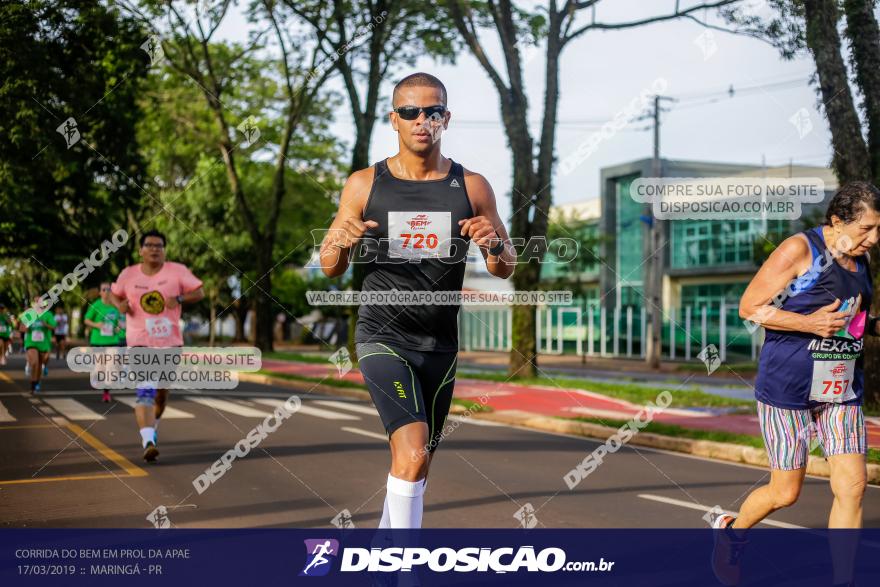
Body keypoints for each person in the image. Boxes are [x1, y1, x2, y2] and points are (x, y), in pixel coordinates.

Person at [320, 72, 514, 530]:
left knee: (416, 466)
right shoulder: (365, 184)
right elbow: (330, 265)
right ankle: (403, 571)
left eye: (432, 111)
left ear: (447, 118)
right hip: (382, 338)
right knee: (411, 454)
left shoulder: (473, 186)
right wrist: (342, 242)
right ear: (394, 119)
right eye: (410, 112)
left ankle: (382, 562)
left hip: (440, 346)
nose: (421, 120)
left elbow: (506, 267)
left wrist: (494, 246)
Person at [712, 182, 880, 587]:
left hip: (839, 387)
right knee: (786, 492)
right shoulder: (799, 250)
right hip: (787, 387)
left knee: (853, 485)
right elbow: (750, 308)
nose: (874, 238)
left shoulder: (861, 259)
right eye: (866, 229)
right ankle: (731, 531)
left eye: (878, 228)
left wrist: (871, 326)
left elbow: (849, 319)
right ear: (837, 221)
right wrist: (809, 323)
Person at [109, 229, 204, 462]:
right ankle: (148, 441)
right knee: (145, 391)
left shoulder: (177, 271)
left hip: (170, 343)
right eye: (150, 245)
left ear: (164, 251)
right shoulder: (128, 274)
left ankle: (154, 426)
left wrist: (179, 299)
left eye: (159, 246)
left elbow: (199, 292)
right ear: (141, 250)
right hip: (140, 343)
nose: (155, 249)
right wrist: (119, 305)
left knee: (161, 394)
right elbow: (113, 294)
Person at [83, 282, 123, 402]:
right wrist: (96, 324)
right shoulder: (96, 305)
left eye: (108, 289)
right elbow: (86, 320)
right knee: (100, 367)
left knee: (111, 366)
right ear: (100, 292)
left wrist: (118, 328)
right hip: (98, 340)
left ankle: (106, 392)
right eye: (104, 289)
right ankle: (96, 376)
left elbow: (119, 322)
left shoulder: (115, 306)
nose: (106, 292)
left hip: (112, 340)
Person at [19, 296, 56, 393]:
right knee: (35, 362)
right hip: (31, 343)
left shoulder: (48, 314)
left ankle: (36, 382)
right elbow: (22, 329)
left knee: (40, 364)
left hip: (44, 343)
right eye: (35, 302)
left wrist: (46, 324)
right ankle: (33, 384)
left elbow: (53, 327)